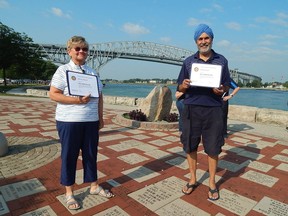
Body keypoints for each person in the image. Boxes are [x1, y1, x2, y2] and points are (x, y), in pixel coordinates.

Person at [49, 36, 114, 210]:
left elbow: (99, 97)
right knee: (69, 156)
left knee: (91, 154)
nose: (81, 52)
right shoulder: (63, 71)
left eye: (84, 49)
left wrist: (100, 118)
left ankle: (93, 186)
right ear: (69, 51)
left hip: (91, 121)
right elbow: (53, 94)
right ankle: (69, 192)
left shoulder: (92, 72)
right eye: (77, 48)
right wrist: (76, 101)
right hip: (69, 121)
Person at [177, 24, 231, 201]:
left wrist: (220, 90)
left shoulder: (221, 61)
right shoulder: (188, 61)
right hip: (192, 107)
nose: (203, 41)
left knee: (213, 147)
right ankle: (193, 179)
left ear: (212, 39)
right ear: (195, 41)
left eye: (206, 38)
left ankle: (212, 183)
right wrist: (183, 86)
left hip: (214, 109)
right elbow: (179, 86)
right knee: (190, 145)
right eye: (200, 39)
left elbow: (225, 86)